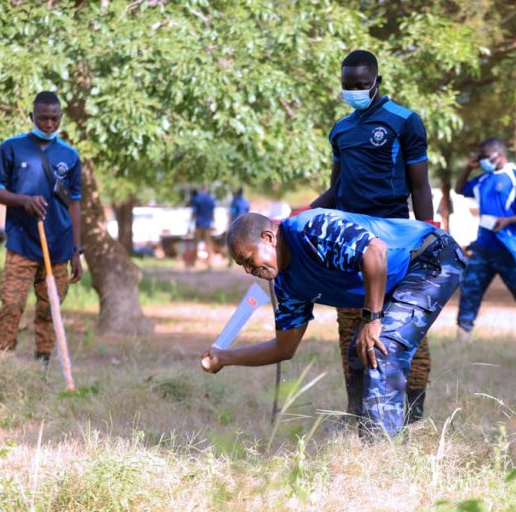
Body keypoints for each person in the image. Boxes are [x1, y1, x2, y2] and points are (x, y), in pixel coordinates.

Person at [200, 210, 466, 438]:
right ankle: (367, 436)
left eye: (248, 260)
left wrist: (372, 319)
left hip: (431, 255)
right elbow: (284, 348)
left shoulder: (311, 230)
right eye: (242, 266)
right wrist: (225, 358)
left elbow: (375, 251)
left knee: (381, 346)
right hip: (399, 276)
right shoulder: (287, 286)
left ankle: (383, 454)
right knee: (358, 352)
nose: (249, 270)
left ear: (268, 238)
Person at [310, 49, 435, 422]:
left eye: (362, 85)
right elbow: (337, 190)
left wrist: (424, 239)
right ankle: (358, 415)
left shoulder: (405, 121)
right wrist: (303, 216)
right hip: (349, 246)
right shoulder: (341, 130)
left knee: (407, 330)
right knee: (352, 328)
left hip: (396, 244)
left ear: (377, 81)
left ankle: (412, 417)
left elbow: (421, 186)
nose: (355, 91)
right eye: (348, 86)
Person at [0, 91, 83, 364]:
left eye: (54, 119)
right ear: (32, 117)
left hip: (59, 247)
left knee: (49, 308)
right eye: (43, 118)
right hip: (22, 243)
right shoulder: (12, 148)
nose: (49, 124)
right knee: (12, 304)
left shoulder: (70, 155)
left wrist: (77, 250)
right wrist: (23, 201)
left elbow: (75, 204)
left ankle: (43, 364)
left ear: (61, 118)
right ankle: (0, 362)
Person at [454, 138, 516, 343]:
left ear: (500, 154)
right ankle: (463, 334)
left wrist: (509, 220)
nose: (484, 162)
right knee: (470, 288)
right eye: (481, 159)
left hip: (509, 248)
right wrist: (468, 169)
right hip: (483, 247)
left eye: (486, 157)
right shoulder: (481, 180)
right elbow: (459, 189)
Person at [190, 187, 216, 269]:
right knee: (208, 244)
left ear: (201, 190)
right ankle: (209, 263)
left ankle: (193, 262)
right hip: (207, 224)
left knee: (196, 243)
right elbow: (212, 213)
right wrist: (213, 223)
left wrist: (190, 222)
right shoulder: (211, 199)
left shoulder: (197, 199)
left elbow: (194, 211)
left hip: (198, 224)